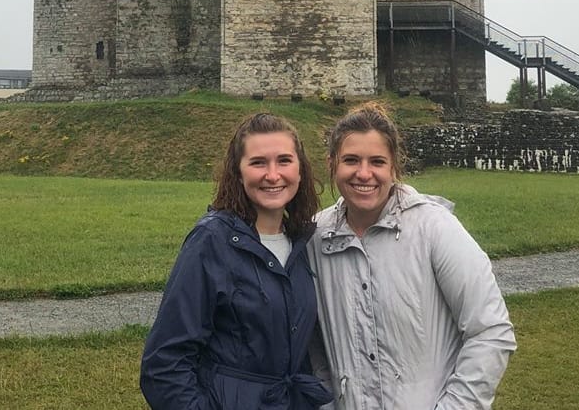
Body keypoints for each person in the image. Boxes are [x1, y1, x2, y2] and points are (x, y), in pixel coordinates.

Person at [307, 102, 516, 410]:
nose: (364, 173)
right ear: (332, 164)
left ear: (394, 166)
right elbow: (316, 346)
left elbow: (490, 330)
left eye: (377, 161)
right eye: (351, 160)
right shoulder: (316, 237)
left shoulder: (434, 227)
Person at [141, 112, 333, 410]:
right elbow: (164, 364)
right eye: (258, 163)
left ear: (300, 170)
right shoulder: (212, 241)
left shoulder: (302, 242)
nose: (272, 175)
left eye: (284, 161)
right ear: (239, 172)